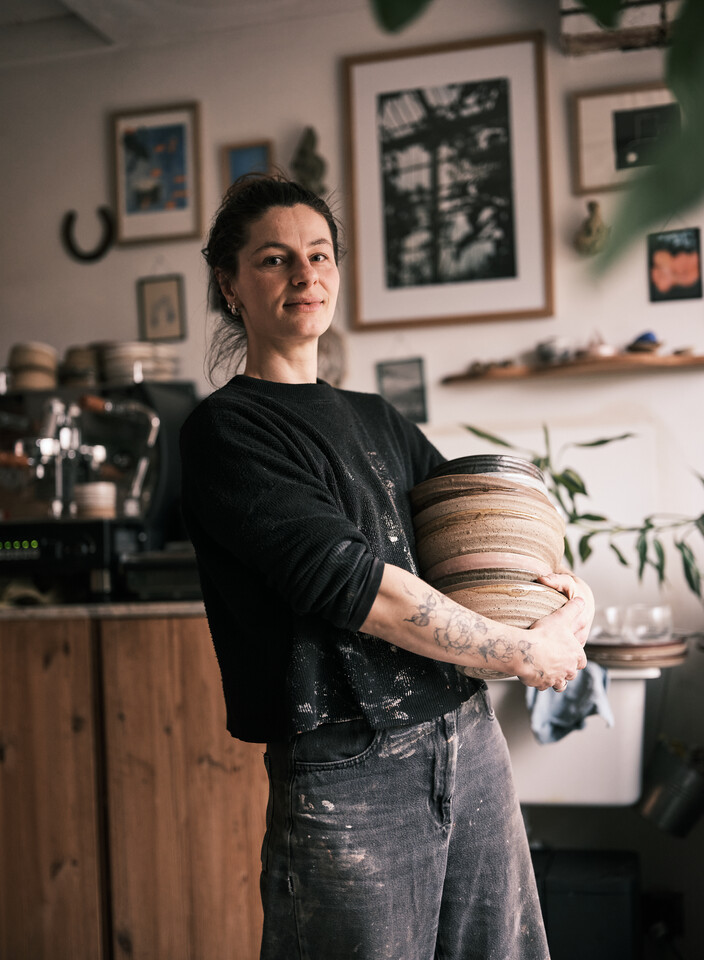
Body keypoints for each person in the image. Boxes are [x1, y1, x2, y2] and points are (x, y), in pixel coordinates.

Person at [179, 173, 594, 960]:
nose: (305, 274)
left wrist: (567, 597)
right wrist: (523, 651)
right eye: (274, 258)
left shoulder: (376, 417)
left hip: (467, 737)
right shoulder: (227, 432)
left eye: (319, 254)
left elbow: (475, 529)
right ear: (230, 285)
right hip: (349, 766)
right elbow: (360, 589)